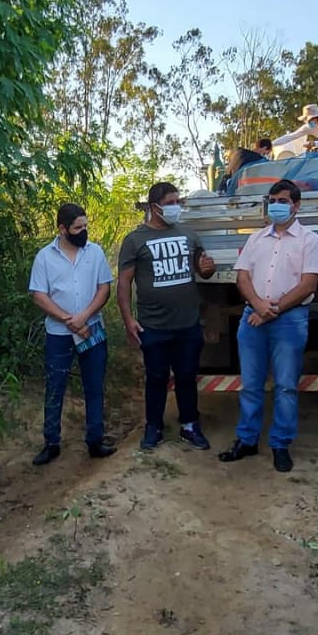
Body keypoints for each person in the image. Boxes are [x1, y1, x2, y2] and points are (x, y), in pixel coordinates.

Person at [218, 180, 318, 473]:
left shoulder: (310, 240)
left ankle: (280, 444)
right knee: (250, 384)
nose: (276, 206)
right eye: (273, 200)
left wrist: (270, 311)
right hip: (253, 317)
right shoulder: (256, 239)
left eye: (283, 201)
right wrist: (257, 305)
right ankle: (247, 440)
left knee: (286, 386)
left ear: (296, 206)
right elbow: (242, 276)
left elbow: (308, 285)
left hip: (289, 320)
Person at [117, 181, 217, 450]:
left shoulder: (188, 234)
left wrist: (208, 268)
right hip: (153, 325)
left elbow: (203, 270)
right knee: (156, 378)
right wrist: (128, 320)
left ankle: (190, 425)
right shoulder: (135, 240)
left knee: (186, 376)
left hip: (187, 323)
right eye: (169, 203)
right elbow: (124, 283)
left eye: (177, 202)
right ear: (154, 207)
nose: (175, 207)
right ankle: (154, 427)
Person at [29, 203, 117, 465]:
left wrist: (84, 316)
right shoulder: (44, 257)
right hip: (58, 333)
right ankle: (51, 443)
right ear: (62, 229)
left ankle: (95, 440)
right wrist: (70, 320)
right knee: (55, 387)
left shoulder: (95, 252)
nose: (84, 231)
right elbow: (39, 294)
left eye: (85, 226)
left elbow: (104, 289)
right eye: (78, 227)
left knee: (94, 385)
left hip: (92, 329)